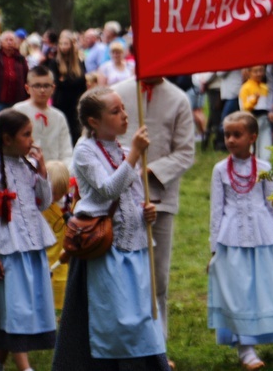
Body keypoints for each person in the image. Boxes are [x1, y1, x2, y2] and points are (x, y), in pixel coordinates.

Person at [52, 87, 169, 371]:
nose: (125, 115)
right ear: (94, 121)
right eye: (115, 111)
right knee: (114, 315)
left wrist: (147, 210)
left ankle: (146, 363)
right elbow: (107, 190)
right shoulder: (84, 151)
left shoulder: (124, 150)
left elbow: (133, 194)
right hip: (104, 245)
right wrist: (135, 156)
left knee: (140, 313)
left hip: (135, 243)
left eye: (123, 109)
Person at [208, 111, 273, 370]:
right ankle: (245, 350)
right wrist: (214, 250)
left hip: (263, 240)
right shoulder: (219, 170)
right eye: (227, 134)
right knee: (237, 294)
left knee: (259, 293)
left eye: (237, 135)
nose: (230, 140)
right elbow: (216, 212)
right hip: (232, 241)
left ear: (253, 137)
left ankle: (256, 338)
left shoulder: (264, 169)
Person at [112, 77, 194, 363]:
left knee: (157, 276)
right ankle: (124, 346)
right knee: (122, 274)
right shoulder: (118, 92)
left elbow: (186, 151)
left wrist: (150, 172)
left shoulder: (178, 98)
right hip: (118, 199)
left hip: (159, 198)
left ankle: (158, 347)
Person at [0, 109, 56, 371]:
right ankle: (24, 367)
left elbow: (44, 202)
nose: (31, 140)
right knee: (16, 309)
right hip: (8, 251)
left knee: (14, 307)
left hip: (31, 248)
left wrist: (42, 172)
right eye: (26, 134)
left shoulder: (27, 167)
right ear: (7, 139)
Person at [13, 65, 73, 170]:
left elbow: (66, 151)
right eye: (37, 86)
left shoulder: (58, 116)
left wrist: (63, 170)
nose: (42, 90)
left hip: (54, 172)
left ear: (53, 88)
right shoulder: (18, 111)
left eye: (46, 86)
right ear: (27, 88)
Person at [42, 160, 73, 310]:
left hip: (63, 261)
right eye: (52, 192)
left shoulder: (69, 204)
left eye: (59, 193)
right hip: (45, 261)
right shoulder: (39, 205)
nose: (55, 197)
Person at [47, 31, 87, 145]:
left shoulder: (78, 62)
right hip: (61, 102)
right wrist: (69, 81)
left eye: (66, 44)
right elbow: (57, 83)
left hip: (76, 102)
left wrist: (66, 80)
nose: (63, 47)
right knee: (62, 130)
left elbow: (81, 81)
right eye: (61, 44)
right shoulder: (55, 62)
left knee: (75, 131)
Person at [239, 66, 271, 160]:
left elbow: (267, 104)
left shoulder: (264, 87)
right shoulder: (245, 88)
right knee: (253, 147)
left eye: (261, 71)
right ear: (249, 72)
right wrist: (254, 100)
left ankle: (265, 164)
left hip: (264, 119)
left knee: (265, 145)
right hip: (252, 119)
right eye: (255, 71)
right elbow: (244, 107)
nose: (259, 74)